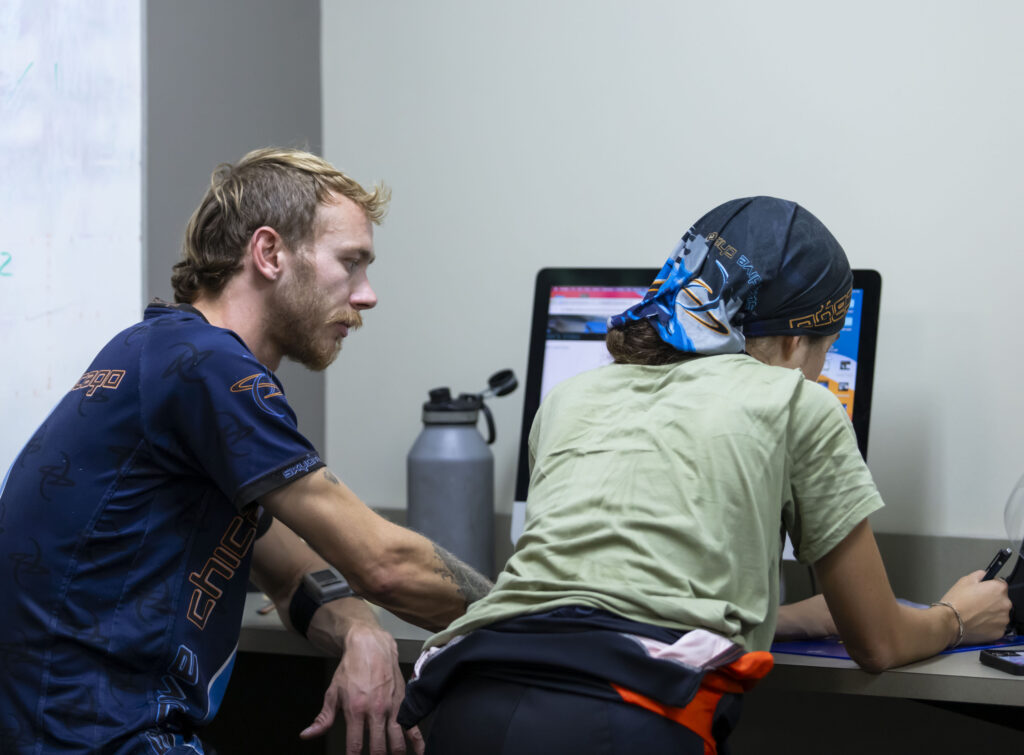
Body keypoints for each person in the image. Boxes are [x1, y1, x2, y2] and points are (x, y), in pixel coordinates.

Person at [397, 196, 1011, 754]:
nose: (822, 373)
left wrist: (788, 617)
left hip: (470, 699)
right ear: (795, 341)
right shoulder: (796, 401)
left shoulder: (569, 396)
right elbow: (877, 644)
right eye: (824, 349)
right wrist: (958, 617)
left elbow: (604, 594)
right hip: (617, 719)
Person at [0, 148, 491, 755]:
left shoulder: (157, 351)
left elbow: (291, 574)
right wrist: (540, 619)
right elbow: (382, 564)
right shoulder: (210, 368)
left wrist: (362, 629)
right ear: (269, 253)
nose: (367, 296)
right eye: (350, 263)